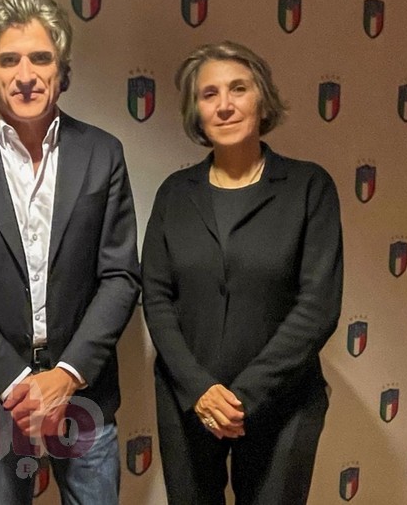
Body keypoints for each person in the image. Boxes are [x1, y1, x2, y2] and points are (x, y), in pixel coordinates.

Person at [0, 0, 140, 505]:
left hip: (83, 393)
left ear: (61, 69)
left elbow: (119, 275)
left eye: (41, 58)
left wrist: (65, 376)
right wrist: (19, 383)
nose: (26, 75)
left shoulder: (103, 153)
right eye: (9, 60)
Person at [141, 40, 343, 504]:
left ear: (262, 99)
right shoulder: (175, 194)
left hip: (284, 402)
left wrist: (243, 397)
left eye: (238, 89)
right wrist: (200, 390)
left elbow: (318, 306)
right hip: (188, 400)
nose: (225, 105)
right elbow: (156, 297)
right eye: (209, 94)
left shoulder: (309, 187)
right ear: (196, 111)